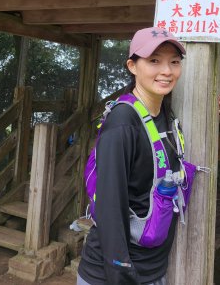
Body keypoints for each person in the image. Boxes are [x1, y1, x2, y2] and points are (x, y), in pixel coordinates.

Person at [77, 27, 188, 285]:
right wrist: (121, 271)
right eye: (154, 61)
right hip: (115, 274)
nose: (167, 71)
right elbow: (109, 206)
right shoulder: (123, 122)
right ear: (132, 66)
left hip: (153, 267)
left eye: (174, 62)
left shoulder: (165, 113)